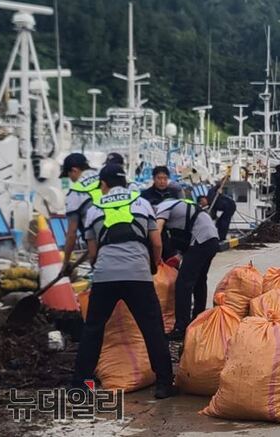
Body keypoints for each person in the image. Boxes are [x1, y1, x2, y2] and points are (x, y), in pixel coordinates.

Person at [72, 164, 177, 398]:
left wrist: (100, 270)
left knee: (93, 329)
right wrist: (151, 266)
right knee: (152, 329)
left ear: (104, 184)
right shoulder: (142, 203)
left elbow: (92, 252)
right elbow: (157, 243)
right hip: (138, 274)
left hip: (105, 276)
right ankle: (163, 384)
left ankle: (80, 383)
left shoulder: (94, 207)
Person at [155, 197, 219, 340]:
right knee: (199, 281)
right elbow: (187, 231)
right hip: (212, 239)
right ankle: (198, 320)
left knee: (183, 284)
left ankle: (181, 327)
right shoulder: (179, 204)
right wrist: (178, 256)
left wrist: (155, 258)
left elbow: (157, 232)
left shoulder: (162, 208)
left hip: (201, 241)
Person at [61, 153, 100, 272]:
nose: (70, 179)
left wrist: (66, 263)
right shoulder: (105, 178)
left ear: (74, 170)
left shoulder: (75, 193)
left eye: (68, 175)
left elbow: (72, 233)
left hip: (100, 250)